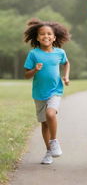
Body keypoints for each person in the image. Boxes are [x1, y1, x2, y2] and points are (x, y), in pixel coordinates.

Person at [24, 18, 70, 165]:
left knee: (51, 113)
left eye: (49, 34)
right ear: (37, 37)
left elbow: (66, 63)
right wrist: (34, 70)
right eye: (42, 34)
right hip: (39, 93)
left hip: (55, 90)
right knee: (44, 124)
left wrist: (66, 76)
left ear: (54, 37)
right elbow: (26, 75)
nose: (46, 36)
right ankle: (49, 151)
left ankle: (54, 141)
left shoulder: (60, 52)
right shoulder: (33, 54)